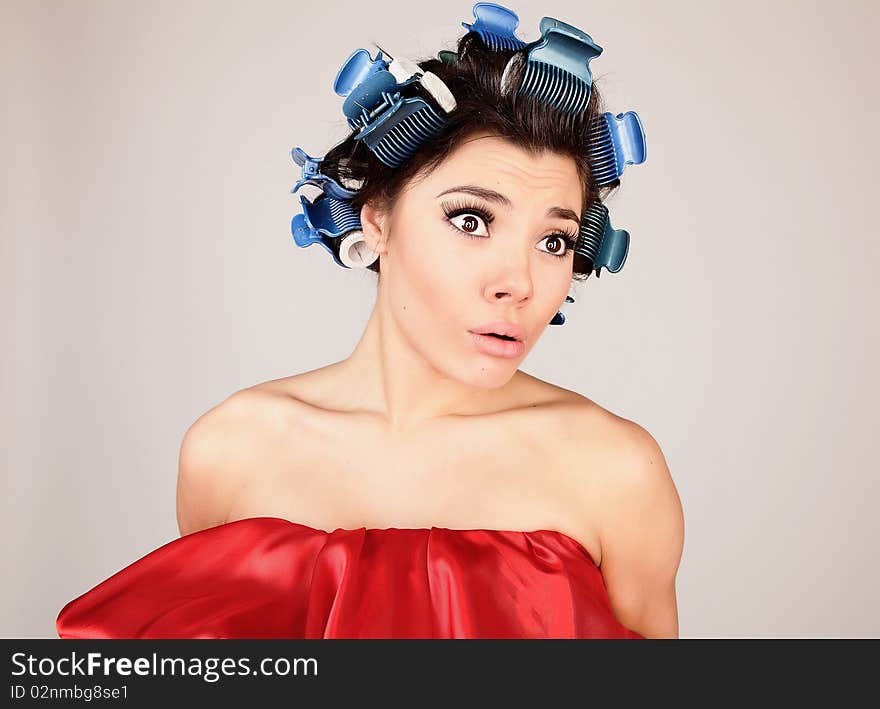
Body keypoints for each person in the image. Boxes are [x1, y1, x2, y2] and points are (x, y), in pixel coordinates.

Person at [56, 3, 683, 639]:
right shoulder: (232, 452)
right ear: (375, 219)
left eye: (554, 241)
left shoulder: (615, 473)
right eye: (471, 220)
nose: (518, 283)